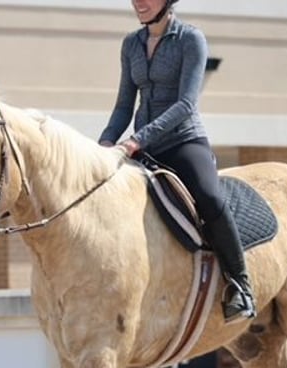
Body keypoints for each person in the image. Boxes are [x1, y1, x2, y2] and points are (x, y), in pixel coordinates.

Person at [99, 0, 256, 323]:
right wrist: (104, 143)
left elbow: (186, 104)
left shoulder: (190, 39)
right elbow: (124, 105)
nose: (138, 2)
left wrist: (138, 139)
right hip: (143, 147)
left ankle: (241, 286)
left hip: (183, 142)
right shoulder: (131, 44)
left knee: (210, 198)